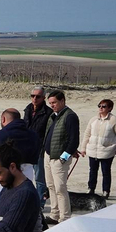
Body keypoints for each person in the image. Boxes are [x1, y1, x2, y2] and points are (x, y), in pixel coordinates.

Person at [41, 91, 81, 224]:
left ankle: (64, 217)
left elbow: (73, 139)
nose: (52, 105)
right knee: (51, 186)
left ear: (62, 101)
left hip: (59, 158)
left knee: (60, 188)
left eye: (54, 102)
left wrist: (64, 157)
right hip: (48, 155)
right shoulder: (53, 116)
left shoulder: (70, 116)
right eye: (50, 103)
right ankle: (54, 214)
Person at [79, 99, 116, 197]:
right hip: (92, 150)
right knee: (92, 171)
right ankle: (91, 189)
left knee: (106, 172)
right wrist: (83, 148)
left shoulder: (114, 120)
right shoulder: (93, 119)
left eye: (103, 106)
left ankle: (106, 191)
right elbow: (87, 134)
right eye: (99, 106)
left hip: (107, 151)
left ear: (110, 108)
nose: (101, 108)